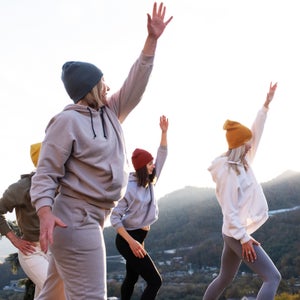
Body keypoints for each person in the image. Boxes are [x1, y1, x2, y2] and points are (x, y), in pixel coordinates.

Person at [30, 3, 172, 300]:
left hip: (84, 221)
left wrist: (151, 41)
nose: (108, 84)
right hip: (76, 220)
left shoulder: (111, 112)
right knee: (92, 296)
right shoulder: (66, 122)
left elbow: (137, 82)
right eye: (102, 80)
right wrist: (43, 211)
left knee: (52, 295)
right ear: (93, 86)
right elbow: (45, 173)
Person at [203, 82, 281, 300]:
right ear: (238, 145)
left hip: (232, 233)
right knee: (272, 277)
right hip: (236, 233)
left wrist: (265, 105)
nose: (250, 145)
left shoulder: (244, 162)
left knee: (224, 278)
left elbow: (256, 133)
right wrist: (244, 238)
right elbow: (229, 211)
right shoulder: (228, 173)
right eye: (246, 143)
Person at [110, 115, 168, 300]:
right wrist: (131, 242)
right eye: (150, 164)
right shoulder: (129, 187)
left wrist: (164, 133)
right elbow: (114, 218)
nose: (153, 166)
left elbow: (162, 155)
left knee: (132, 276)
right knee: (155, 281)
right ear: (143, 167)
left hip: (139, 236)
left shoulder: (150, 180)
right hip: (128, 239)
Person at [0, 143, 50, 299]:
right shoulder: (20, 188)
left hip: (57, 250)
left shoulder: (63, 185)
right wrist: (15, 240)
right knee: (53, 288)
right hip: (32, 252)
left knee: (44, 294)